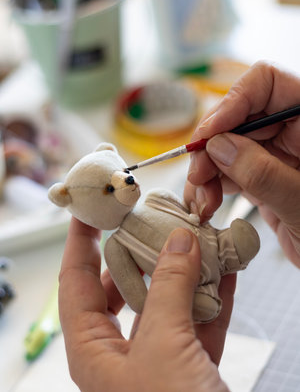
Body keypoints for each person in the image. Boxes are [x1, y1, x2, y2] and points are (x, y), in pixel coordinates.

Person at [59, 61, 300, 391]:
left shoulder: (154, 196)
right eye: (110, 187)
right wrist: (152, 306)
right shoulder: (115, 246)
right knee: (200, 303)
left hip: (208, 240)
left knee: (225, 237)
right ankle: (199, 295)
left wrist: (197, 215)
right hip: (192, 284)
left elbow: (189, 209)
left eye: (122, 173)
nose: (126, 181)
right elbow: (132, 288)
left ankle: (229, 248)